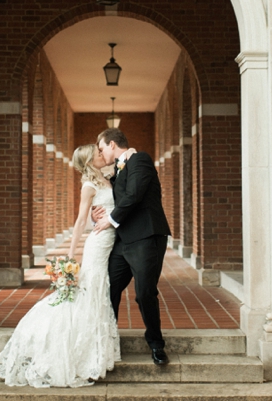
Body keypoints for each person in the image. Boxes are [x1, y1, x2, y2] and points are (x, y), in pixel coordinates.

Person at [0, 144, 121, 387]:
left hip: (109, 238)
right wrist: (69, 258)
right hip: (98, 243)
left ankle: (94, 350)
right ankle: (84, 352)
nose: (103, 155)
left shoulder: (106, 176)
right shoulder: (89, 185)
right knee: (92, 291)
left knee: (95, 292)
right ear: (90, 161)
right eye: (98, 154)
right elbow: (80, 221)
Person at [93, 128, 172, 366]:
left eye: (102, 148)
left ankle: (156, 345)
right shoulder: (119, 168)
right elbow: (112, 198)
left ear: (113, 144)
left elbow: (134, 194)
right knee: (109, 288)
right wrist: (96, 215)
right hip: (123, 241)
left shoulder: (141, 160)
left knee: (145, 292)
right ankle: (108, 339)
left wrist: (111, 220)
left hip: (147, 237)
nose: (100, 152)